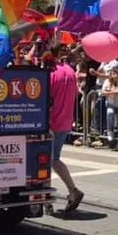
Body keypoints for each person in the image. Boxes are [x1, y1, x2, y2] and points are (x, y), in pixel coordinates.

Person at [44, 46, 84, 214]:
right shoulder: (69, 71)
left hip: (52, 122)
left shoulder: (51, 74)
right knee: (54, 159)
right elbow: (76, 93)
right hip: (66, 120)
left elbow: (47, 100)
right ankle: (71, 191)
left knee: (47, 161)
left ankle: (48, 200)